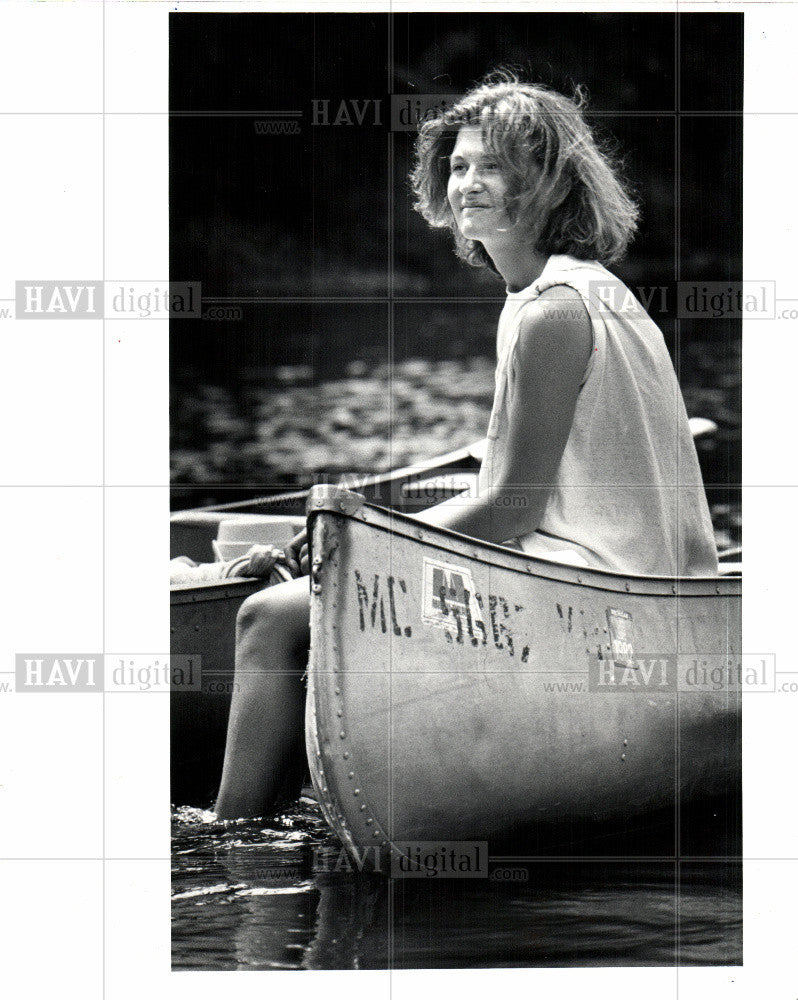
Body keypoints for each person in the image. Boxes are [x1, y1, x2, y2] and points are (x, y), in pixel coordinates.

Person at [213, 74, 717, 819]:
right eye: (458, 166)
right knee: (331, 589)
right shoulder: (579, 290)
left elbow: (510, 507)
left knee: (270, 618)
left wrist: (339, 546)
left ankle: (229, 835)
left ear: (548, 183)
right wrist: (348, 534)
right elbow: (511, 494)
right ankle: (319, 793)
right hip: (622, 581)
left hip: (595, 588)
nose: (469, 183)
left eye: (495, 166)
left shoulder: (552, 312)